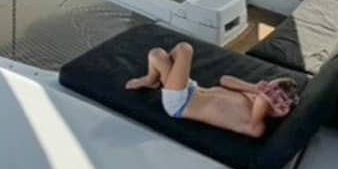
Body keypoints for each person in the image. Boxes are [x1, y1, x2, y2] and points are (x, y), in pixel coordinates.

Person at [125, 41, 299, 138]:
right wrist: (252, 87)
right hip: (191, 88)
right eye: (275, 90)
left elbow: (261, 105)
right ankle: (151, 80)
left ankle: (151, 79)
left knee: (185, 49)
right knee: (157, 54)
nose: (273, 96)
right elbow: (225, 80)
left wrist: (266, 97)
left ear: (280, 113)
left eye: (280, 102)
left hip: (180, 103)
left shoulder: (255, 124)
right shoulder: (251, 95)